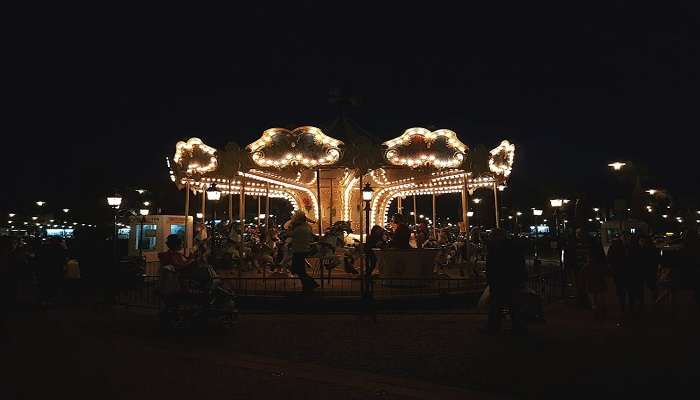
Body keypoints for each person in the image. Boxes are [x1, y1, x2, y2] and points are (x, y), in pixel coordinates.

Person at [481, 228, 528, 335]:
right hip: (510, 280)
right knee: (513, 306)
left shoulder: (495, 248)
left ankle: (493, 327)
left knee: (497, 305)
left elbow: (492, 266)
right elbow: (520, 263)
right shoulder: (513, 247)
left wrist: (490, 279)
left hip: (500, 280)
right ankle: (517, 326)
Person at [288, 211, 319, 291]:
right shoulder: (307, 227)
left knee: (298, 269)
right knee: (299, 269)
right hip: (303, 248)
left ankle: (311, 284)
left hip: (299, 250)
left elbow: (290, 234)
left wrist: (290, 227)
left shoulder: (299, 228)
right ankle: (308, 285)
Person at [37, 237, 68, 306]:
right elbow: (63, 259)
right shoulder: (60, 248)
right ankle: (52, 300)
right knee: (55, 285)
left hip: (46, 269)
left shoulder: (44, 247)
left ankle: (45, 300)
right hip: (56, 269)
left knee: (46, 284)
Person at [583, 239, 609, 320]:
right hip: (598, 272)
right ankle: (601, 306)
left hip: (592, 273)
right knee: (600, 291)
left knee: (592, 292)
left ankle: (595, 307)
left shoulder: (589, 259)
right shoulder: (599, 252)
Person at [607, 236, 629, 315]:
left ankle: (622, 303)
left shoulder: (613, 247)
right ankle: (625, 303)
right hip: (624, 270)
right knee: (625, 287)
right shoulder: (625, 248)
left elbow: (609, 258)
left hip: (616, 270)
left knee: (619, 287)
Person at [638, 234, 660, 306]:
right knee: (651, 285)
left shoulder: (643, 250)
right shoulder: (653, 249)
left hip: (647, 270)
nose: (640, 242)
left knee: (648, 285)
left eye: (641, 241)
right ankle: (654, 299)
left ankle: (647, 301)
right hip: (651, 270)